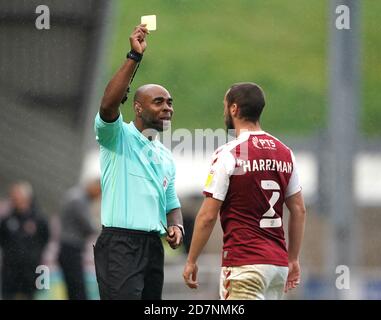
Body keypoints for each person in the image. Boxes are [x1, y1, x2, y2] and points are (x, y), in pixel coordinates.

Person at [183, 83, 306, 300]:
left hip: (245, 263)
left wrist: (192, 260)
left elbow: (207, 215)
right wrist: (293, 259)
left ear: (234, 109)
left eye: (225, 105)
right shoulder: (285, 152)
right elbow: (298, 210)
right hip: (277, 266)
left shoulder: (229, 154)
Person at [93, 24, 184, 300]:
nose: (167, 107)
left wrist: (177, 226)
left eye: (169, 102)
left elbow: (172, 204)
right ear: (138, 107)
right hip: (120, 244)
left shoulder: (165, 156)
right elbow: (108, 106)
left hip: (152, 247)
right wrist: (134, 57)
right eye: (158, 102)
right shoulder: (117, 137)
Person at [0, 181, 49, 299]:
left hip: (30, 268)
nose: (14, 199)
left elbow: (45, 237)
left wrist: (34, 254)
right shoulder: (7, 219)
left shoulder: (38, 219)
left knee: (29, 295)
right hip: (10, 268)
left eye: (17, 195)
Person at [58, 178, 101, 300]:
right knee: (78, 289)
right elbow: (89, 226)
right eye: (100, 191)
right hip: (71, 248)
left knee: (73, 288)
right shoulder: (79, 199)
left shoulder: (76, 195)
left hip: (68, 247)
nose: (99, 196)